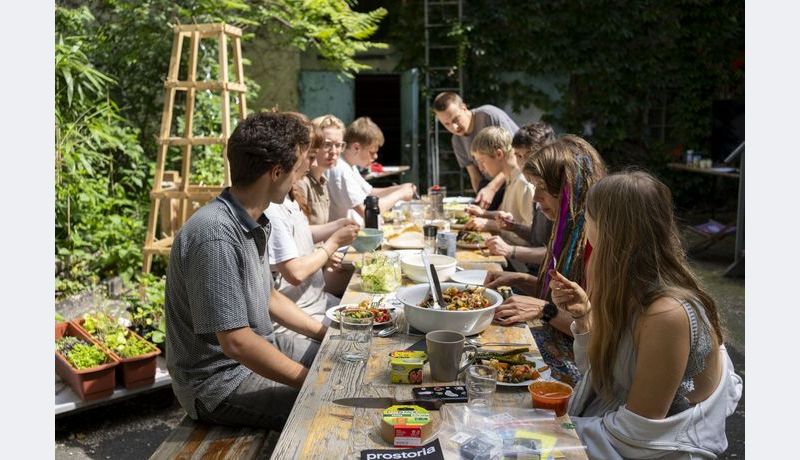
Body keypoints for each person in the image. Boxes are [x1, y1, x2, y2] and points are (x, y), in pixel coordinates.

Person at [554, 171, 742, 458]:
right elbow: (602, 377)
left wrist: (559, 431)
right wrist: (584, 318)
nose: (585, 226)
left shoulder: (667, 313)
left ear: (609, 229)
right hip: (623, 433)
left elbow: (641, 428)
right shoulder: (626, 288)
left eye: (588, 217)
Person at [165, 111, 327, 430]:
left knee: (344, 361)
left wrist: (327, 335)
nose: (302, 174)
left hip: (254, 351)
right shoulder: (215, 235)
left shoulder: (251, 219)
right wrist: (312, 384)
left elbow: (268, 297)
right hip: (218, 384)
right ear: (276, 172)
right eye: (297, 168)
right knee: (333, 407)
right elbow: (236, 342)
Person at [484, 135, 606, 385]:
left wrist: (545, 310)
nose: (536, 198)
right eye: (533, 186)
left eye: (541, 186)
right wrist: (520, 278)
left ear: (569, 187)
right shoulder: (569, 228)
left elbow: (596, 331)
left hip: (586, 367)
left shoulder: (596, 244)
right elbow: (560, 294)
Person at [265, 114, 360, 359]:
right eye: (310, 154)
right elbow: (294, 273)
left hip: (316, 300)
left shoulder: (287, 195)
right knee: (356, 349)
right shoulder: (274, 203)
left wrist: (336, 226)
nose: (310, 163)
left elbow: (299, 234)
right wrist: (331, 245)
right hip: (301, 313)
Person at [486, 121, 556, 266]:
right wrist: (514, 227)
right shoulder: (532, 184)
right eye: (518, 155)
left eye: (529, 155)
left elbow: (558, 252)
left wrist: (510, 250)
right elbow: (538, 238)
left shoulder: (556, 192)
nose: (523, 163)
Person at [433, 92, 519, 209]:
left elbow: (514, 158)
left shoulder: (489, 115)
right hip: (492, 184)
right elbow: (475, 177)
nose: (454, 127)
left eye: (456, 119)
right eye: (446, 124)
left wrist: (492, 188)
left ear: (464, 107)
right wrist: (481, 201)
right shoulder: (456, 141)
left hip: (517, 177)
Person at [326, 116, 415, 225]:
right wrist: (400, 194)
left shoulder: (350, 166)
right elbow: (369, 212)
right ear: (356, 148)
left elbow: (370, 192)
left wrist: (400, 187)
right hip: (348, 238)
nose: (376, 156)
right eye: (372, 152)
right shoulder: (340, 170)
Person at [461, 126, 534, 246]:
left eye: (482, 161)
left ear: (499, 154)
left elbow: (534, 233)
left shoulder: (522, 183)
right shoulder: (510, 179)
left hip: (519, 261)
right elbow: (512, 217)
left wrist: (489, 224)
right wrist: (483, 213)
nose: (480, 168)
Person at [295, 115, 346, 226]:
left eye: (338, 145)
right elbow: (301, 233)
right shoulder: (301, 182)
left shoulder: (323, 180)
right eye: (327, 144)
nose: (333, 151)